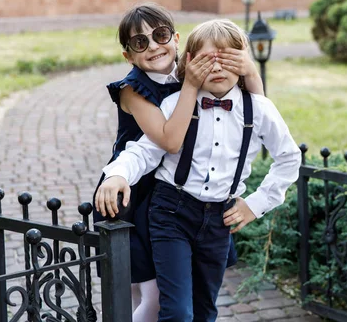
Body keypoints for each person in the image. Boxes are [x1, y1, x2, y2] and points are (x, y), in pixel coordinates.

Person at [96, 19, 301, 321]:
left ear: (241, 62)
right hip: (171, 213)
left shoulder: (259, 109)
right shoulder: (176, 103)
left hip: (220, 219)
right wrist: (118, 173)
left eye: (226, 59)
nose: (217, 68)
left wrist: (255, 205)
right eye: (207, 61)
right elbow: (143, 150)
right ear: (189, 63)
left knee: (205, 310)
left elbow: (289, 158)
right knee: (177, 311)